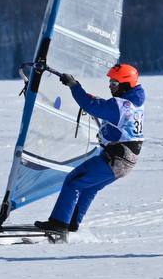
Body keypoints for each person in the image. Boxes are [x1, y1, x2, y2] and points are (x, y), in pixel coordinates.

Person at [35, 63, 145, 233]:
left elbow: (91, 106)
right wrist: (95, 101)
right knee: (89, 187)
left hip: (115, 159)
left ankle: (59, 224)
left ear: (126, 84)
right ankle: (71, 224)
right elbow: (106, 107)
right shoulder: (133, 101)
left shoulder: (121, 106)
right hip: (126, 161)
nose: (110, 86)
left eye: (114, 83)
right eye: (110, 82)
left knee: (73, 181)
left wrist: (74, 86)